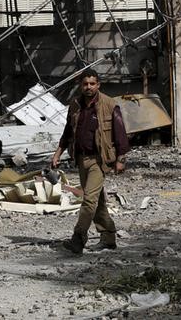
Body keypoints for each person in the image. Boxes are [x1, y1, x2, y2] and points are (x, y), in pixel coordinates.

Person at [51, 68, 130, 254]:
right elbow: (67, 133)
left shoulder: (109, 105)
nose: (88, 87)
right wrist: (57, 154)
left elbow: (120, 135)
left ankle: (78, 239)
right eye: (85, 84)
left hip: (99, 161)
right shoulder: (76, 105)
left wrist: (121, 159)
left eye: (92, 84)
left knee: (88, 201)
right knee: (98, 202)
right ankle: (109, 237)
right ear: (81, 85)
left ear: (98, 85)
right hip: (81, 159)